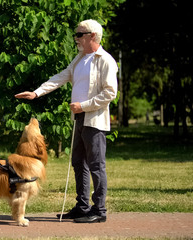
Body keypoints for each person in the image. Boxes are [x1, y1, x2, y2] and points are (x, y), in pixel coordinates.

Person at [15, 19, 118, 223]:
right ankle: (82, 206)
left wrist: (84, 105)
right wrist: (36, 93)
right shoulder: (80, 58)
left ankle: (100, 210)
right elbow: (61, 76)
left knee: (96, 165)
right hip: (79, 118)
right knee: (78, 162)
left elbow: (110, 93)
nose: (76, 38)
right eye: (76, 34)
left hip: (94, 120)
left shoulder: (105, 60)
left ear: (92, 36)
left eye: (79, 34)